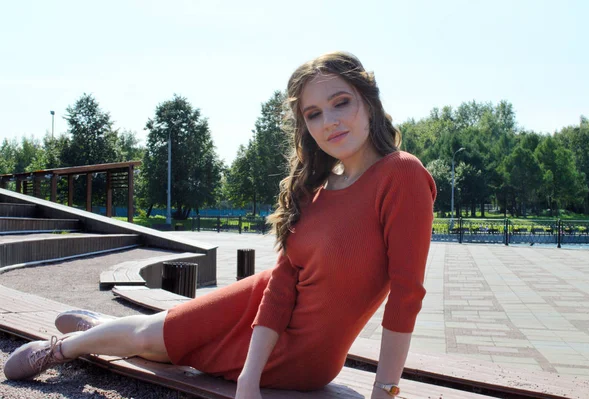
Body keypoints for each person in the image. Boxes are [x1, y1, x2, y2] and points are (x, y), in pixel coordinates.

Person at [4, 51, 436, 399]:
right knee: (159, 342)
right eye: (314, 113)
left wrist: (386, 391)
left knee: (159, 344)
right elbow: (283, 282)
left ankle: (101, 330)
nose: (330, 121)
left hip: (306, 359)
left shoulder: (402, 174)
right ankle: (62, 349)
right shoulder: (316, 187)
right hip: (260, 306)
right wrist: (248, 380)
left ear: (369, 102)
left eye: (341, 102)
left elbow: (406, 293)